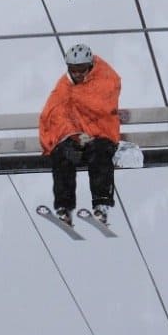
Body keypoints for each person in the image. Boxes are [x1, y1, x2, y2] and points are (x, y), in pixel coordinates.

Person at [38, 43, 121, 227]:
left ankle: (101, 203)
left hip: (100, 136)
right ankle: (64, 207)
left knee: (100, 152)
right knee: (62, 154)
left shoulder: (105, 78)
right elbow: (54, 114)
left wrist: (89, 132)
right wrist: (72, 134)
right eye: (73, 69)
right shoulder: (65, 85)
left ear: (90, 66)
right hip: (77, 138)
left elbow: (102, 109)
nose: (77, 74)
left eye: (81, 69)